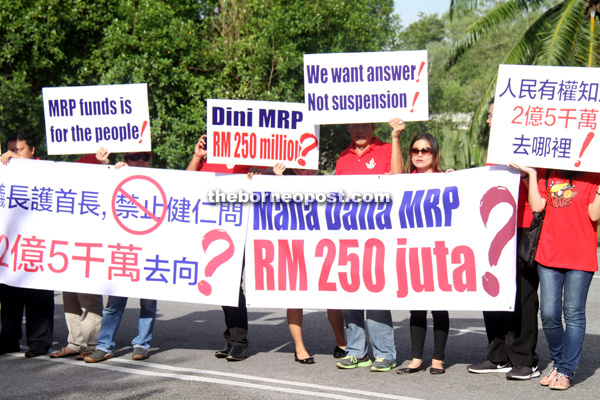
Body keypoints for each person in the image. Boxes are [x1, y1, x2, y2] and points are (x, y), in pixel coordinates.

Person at [467, 101, 541, 380]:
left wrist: (524, 175)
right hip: (495, 227)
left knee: (522, 295)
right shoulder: (493, 150)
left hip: (521, 227)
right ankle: (497, 355)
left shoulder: (528, 146)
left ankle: (525, 359)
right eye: (489, 116)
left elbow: (537, 187)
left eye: (494, 116)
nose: (488, 121)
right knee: (493, 290)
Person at [510, 163, 600, 390]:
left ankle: (566, 370)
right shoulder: (548, 172)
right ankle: (559, 364)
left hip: (580, 257)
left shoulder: (594, 175)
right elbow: (538, 206)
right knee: (549, 315)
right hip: (548, 254)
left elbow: (594, 213)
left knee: (573, 314)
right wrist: (530, 175)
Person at [335, 120, 404, 372]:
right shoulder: (343, 157)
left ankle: (385, 353)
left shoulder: (387, 149)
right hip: (348, 234)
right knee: (349, 292)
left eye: (365, 125)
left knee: (375, 291)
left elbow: (399, 180)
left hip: (378, 233)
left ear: (374, 127)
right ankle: (356, 352)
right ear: (348, 129)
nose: (360, 129)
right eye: (354, 125)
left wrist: (396, 138)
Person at [264, 164, 347, 364]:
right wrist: (278, 178)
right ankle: (300, 348)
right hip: (293, 247)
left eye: (310, 167)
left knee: (332, 296)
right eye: (301, 167)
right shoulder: (283, 182)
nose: (306, 170)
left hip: (322, 246)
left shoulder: (328, 184)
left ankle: (342, 343)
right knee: (294, 297)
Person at [84, 149, 158, 363]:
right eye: (134, 157)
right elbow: (99, 193)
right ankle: (104, 345)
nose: (141, 161)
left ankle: (142, 344)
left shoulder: (160, 179)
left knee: (148, 303)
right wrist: (108, 167)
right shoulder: (118, 174)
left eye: (145, 157)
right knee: (114, 303)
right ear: (125, 160)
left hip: (152, 251)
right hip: (124, 251)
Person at [187, 135, 252, 361]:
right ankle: (231, 338)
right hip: (209, 229)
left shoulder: (244, 154)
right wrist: (197, 157)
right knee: (221, 284)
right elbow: (186, 182)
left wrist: (258, 174)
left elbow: (268, 173)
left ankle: (239, 341)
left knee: (232, 285)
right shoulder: (208, 157)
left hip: (236, 228)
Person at [393, 132, 449, 375]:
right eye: (415, 150)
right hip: (412, 250)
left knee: (438, 307)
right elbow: (393, 179)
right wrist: (395, 137)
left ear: (434, 154)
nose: (419, 154)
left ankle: (438, 359)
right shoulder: (404, 180)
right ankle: (416, 359)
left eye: (425, 150)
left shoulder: (446, 179)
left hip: (439, 251)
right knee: (416, 308)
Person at [0, 133, 55, 358]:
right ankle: (8, 338)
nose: (14, 154)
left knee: (37, 293)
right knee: (9, 292)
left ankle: (39, 341)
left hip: (38, 240)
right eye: (10, 149)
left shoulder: (47, 169)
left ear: (32, 150)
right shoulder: (5, 170)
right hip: (10, 241)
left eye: (19, 149)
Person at [49, 154, 104, 360]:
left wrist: (104, 165)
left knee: (88, 296)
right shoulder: (71, 192)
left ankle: (90, 343)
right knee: (70, 296)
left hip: (91, 246)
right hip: (69, 245)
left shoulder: (99, 191)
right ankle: (75, 342)